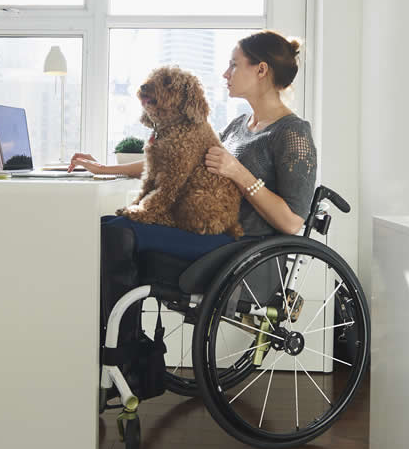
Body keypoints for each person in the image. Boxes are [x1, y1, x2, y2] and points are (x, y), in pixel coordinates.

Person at [70, 30, 318, 374]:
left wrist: (239, 173)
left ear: (261, 70)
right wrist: (104, 168)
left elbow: (292, 222)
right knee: (105, 227)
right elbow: (178, 159)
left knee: (119, 233)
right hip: (210, 235)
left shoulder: (292, 133)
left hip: (240, 247)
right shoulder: (238, 126)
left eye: (233, 65)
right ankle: (110, 347)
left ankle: (123, 360)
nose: (225, 73)